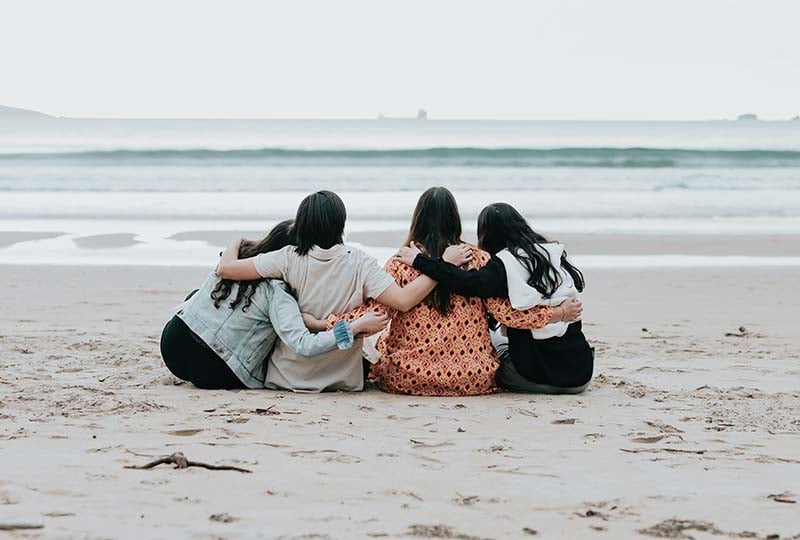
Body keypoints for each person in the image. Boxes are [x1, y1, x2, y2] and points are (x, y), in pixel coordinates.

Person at [319, 187, 580, 397]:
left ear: (417, 219)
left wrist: (325, 325)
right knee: (500, 342)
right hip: (473, 378)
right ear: (455, 219)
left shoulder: (402, 261)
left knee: (380, 345)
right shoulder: (478, 260)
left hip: (408, 376)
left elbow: (375, 315)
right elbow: (508, 315)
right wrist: (557, 313)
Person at [215, 191, 438, 392]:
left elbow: (225, 269)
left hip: (287, 377)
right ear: (341, 225)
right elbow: (403, 300)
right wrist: (440, 269)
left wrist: (236, 242)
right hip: (343, 379)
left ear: (301, 224)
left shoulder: (286, 258)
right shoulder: (361, 263)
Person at [160, 219, 390, 390]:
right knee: (278, 330)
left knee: (197, 296)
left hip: (172, 344)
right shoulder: (277, 293)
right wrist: (355, 327)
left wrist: (238, 241)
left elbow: (226, 263)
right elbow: (304, 345)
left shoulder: (233, 264)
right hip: (215, 371)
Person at [396, 202, 592, 394]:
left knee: (496, 348)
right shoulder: (553, 254)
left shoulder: (505, 265)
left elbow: (468, 283)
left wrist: (420, 261)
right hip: (581, 375)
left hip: (536, 376)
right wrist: (561, 311)